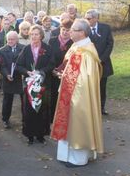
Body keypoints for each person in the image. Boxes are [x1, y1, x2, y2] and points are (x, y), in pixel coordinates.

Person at [52, 19, 104, 167]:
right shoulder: (76, 46)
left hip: (79, 96)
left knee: (78, 122)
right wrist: (64, 74)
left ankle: (78, 158)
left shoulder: (87, 52)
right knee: (68, 122)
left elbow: (85, 79)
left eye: (73, 30)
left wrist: (65, 76)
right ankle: (66, 155)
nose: (70, 32)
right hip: (68, 91)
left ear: (82, 33)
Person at [16, 25, 53, 144]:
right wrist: (27, 72)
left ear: (41, 35)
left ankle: (41, 134)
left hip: (43, 84)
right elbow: (19, 65)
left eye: (36, 34)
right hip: (29, 84)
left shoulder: (47, 48)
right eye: (32, 34)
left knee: (42, 109)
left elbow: (51, 64)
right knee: (29, 110)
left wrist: (41, 72)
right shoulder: (26, 49)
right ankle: (30, 135)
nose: (34, 36)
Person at [86, 9, 114, 115]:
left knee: (102, 87)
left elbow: (110, 44)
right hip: (88, 63)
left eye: (88, 18)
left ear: (96, 18)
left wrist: (101, 59)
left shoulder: (105, 28)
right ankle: (90, 108)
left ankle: (101, 108)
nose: (87, 20)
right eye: (86, 18)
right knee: (90, 86)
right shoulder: (84, 29)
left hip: (103, 63)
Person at [49, 19, 74, 122]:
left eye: (67, 30)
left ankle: (64, 118)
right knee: (53, 96)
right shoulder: (52, 40)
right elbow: (49, 57)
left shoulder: (73, 43)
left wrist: (64, 71)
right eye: (63, 29)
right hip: (53, 73)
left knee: (65, 97)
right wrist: (53, 70)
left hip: (67, 74)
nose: (65, 32)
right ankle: (52, 118)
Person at [0, 31, 25, 129]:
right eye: (8, 39)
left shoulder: (23, 48)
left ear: (17, 40)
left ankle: (25, 119)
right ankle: (5, 119)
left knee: (24, 100)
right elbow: (2, 66)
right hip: (8, 78)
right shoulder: (2, 50)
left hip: (20, 77)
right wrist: (6, 74)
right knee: (7, 100)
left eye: (12, 39)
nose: (10, 41)